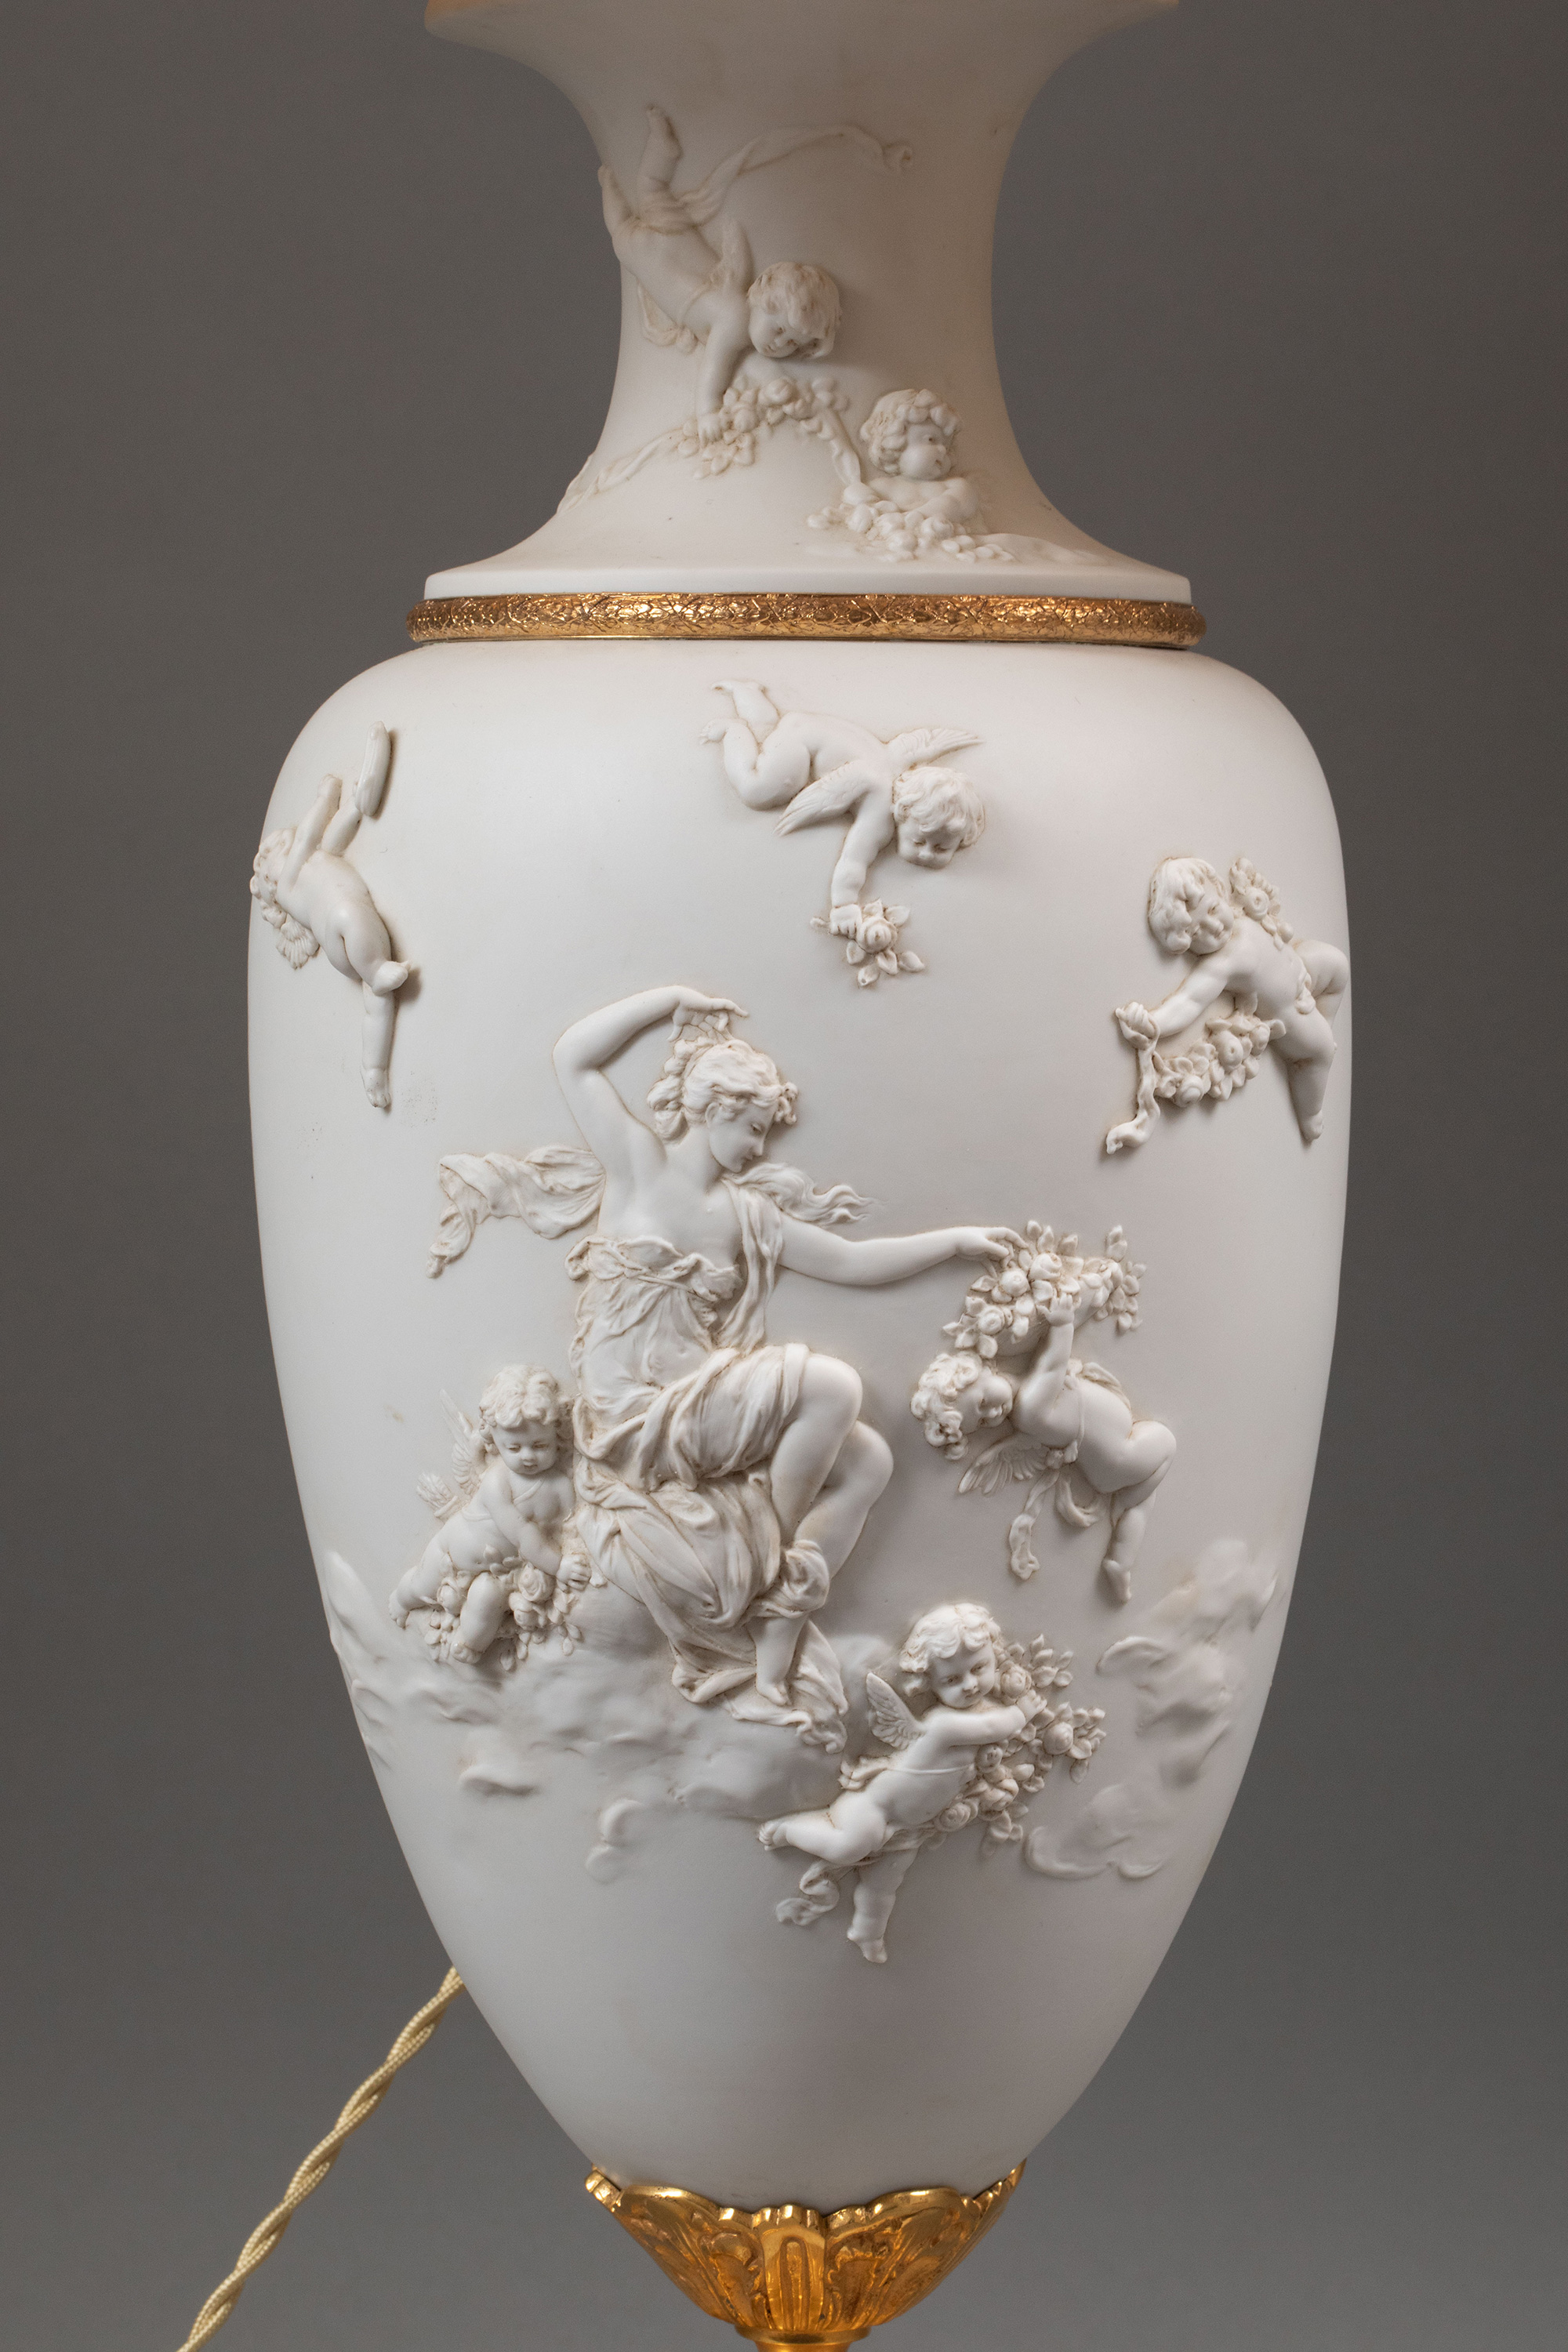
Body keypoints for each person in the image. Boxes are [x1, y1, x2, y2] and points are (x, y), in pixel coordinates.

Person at [554, 986, 1015, 1740]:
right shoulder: (636, 1166)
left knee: (867, 1463)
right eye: (751, 1128)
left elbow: (853, 1261)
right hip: (635, 1407)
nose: (759, 1148)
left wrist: (955, 1242)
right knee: (832, 1385)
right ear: (711, 1109)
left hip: (698, 1394)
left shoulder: (747, 1216)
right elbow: (572, 1058)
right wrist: (667, 1001)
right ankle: (765, 1553)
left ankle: (772, 1664)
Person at [760, 1603, 1040, 1960]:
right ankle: (790, 1831)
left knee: (885, 1883)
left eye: (979, 1668)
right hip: (874, 1810)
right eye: (952, 1680)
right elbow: (992, 1728)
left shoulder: (976, 1712)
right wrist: (1021, 1712)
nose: (970, 1685)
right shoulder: (943, 1724)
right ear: (930, 1684)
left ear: (994, 1658)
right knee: (849, 1848)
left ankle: (868, 1930)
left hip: (908, 1826)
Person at [599, 107, 843, 437]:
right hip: (651, 256)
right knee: (623, 226)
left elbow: (736, 270)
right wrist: (707, 411)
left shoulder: (739, 304)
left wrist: (736, 241)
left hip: (676, 239)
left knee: (650, 188)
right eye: (779, 329)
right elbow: (714, 366)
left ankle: (654, 154)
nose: (779, 344)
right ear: (762, 300)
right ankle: (611, 182)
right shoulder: (736, 324)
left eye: (791, 343)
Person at [705, 679, 983, 931]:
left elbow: (924, 745)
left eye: (942, 848)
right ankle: (733, 732)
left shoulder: (903, 762)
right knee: (756, 791)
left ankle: (748, 693)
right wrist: (844, 905)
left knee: (768, 735)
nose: (926, 853)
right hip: (801, 746)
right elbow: (854, 859)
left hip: (807, 728)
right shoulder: (881, 806)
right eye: (919, 841)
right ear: (902, 814)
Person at [1116, 855, 1349, 1142]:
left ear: (1219, 891)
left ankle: (1323, 1023)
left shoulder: (1240, 916)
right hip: (1287, 1011)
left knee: (1337, 965)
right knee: (1322, 1051)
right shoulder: (1223, 963)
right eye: (1197, 931)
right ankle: (1311, 1112)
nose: (1214, 926)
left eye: (1213, 909)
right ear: (1185, 943)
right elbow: (1189, 1002)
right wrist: (1153, 1023)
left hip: (1302, 972)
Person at [250, 724, 408, 1109]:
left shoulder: (310, 868)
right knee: (355, 923)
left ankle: (373, 1068)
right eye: (277, 854)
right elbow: (309, 832)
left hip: (338, 942)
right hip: (344, 921)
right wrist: (326, 797)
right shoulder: (292, 875)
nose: (286, 850)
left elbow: (327, 836)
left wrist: (346, 807)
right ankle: (376, 970)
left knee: (376, 1004)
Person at [390, 1367, 574, 1662]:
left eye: (540, 1445)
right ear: (495, 1443)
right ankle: (401, 1600)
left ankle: (470, 1646)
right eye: (514, 1447)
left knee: (486, 1599)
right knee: (421, 1586)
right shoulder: (497, 1481)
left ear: (558, 1438)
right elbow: (522, 1534)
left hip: (502, 1572)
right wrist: (559, 1565)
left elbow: (571, 1528)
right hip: (451, 1555)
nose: (527, 1456)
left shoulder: (562, 1487)